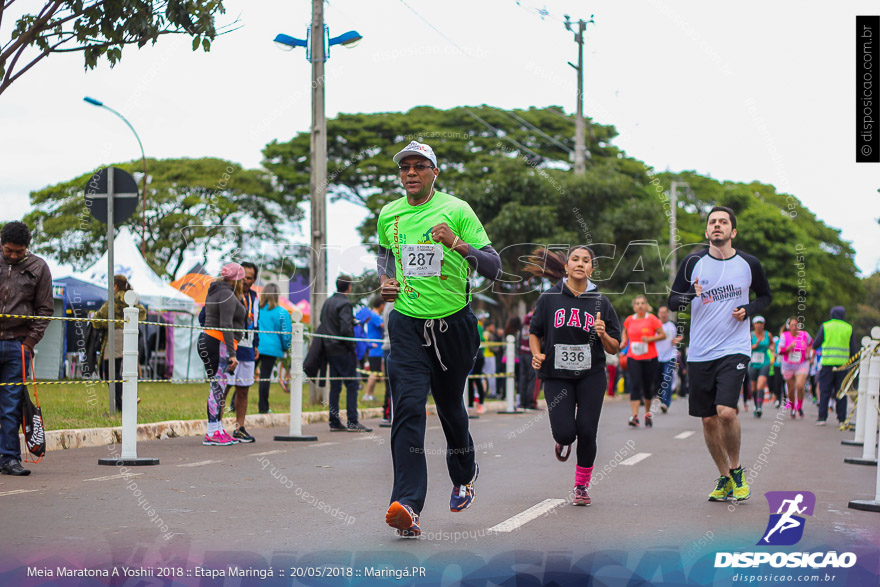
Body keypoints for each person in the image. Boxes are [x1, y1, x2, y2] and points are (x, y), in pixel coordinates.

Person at [377, 140, 501, 537]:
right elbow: (385, 252)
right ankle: (407, 505)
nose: (410, 173)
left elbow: (494, 266)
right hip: (408, 324)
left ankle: (465, 474)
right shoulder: (389, 213)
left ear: (434, 171)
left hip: (453, 326)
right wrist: (386, 278)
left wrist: (457, 244)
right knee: (408, 408)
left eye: (419, 166)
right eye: (405, 167)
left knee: (450, 408)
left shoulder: (457, 210)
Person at [669, 205, 771, 502]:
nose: (717, 226)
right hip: (700, 352)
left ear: (732, 231)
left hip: (734, 348)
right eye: (712, 222)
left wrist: (748, 310)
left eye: (723, 222)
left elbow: (765, 296)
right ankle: (724, 477)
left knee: (726, 411)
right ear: (706, 231)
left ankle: (737, 470)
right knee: (708, 419)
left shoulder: (749, 264)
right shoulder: (693, 263)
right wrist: (691, 294)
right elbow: (673, 301)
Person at [526, 246, 621, 506]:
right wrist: (537, 354)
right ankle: (563, 441)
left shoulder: (601, 302)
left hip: (591, 374)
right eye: (575, 260)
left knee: (588, 431)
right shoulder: (548, 299)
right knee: (566, 433)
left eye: (586, 261)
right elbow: (535, 332)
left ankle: (581, 485)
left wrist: (603, 335)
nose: (580, 264)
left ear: (591, 268)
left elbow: (615, 347)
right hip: (557, 375)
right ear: (566, 267)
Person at [0, 221, 52, 476]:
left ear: (27, 249)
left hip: (17, 345)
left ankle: (9, 459)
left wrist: (28, 344)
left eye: (19, 252)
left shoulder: (39, 267)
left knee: (11, 406)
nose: (13, 256)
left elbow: (45, 309)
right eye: (8, 250)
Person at [200, 262, 246, 446]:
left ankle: (217, 429)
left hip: (212, 340)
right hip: (218, 342)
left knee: (218, 387)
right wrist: (232, 354)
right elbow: (226, 324)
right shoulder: (226, 294)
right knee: (217, 388)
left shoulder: (216, 291)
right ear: (236, 279)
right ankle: (212, 432)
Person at [322, 275, 371, 433]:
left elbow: (323, 322)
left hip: (329, 348)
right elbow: (345, 329)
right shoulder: (345, 303)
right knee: (352, 385)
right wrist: (352, 346)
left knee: (335, 386)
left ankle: (334, 421)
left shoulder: (327, 302)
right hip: (343, 349)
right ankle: (352, 420)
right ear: (349, 287)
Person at [93, 275, 147, 410]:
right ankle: (124, 400)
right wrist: (129, 323)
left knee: (110, 372)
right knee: (123, 371)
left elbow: (99, 317)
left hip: (115, 338)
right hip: (128, 338)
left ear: (116, 285)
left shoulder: (115, 299)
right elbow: (142, 312)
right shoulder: (130, 297)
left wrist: (115, 323)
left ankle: (123, 401)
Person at [225, 261, 260, 442]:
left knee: (243, 389)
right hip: (230, 347)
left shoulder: (255, 297)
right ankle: (216, 426)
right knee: (224, 386)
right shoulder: (229, 294)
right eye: (244, 277)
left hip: (247, 347)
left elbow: (256, 323)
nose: (246, 281)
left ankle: (240, 427)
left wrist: (256, 344)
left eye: (250, 278)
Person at [620, 295, 666, 428]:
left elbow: (663, 335)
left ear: (646, 306)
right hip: (633, 357)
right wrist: (624, 341)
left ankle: (647, 414)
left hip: (650, 358)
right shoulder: (629, 320)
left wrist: (650, 339)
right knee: (635, 384)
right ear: (634, 306)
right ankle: (634, 416)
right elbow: (625, 332)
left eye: (642, 303)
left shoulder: (652, 319)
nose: (640, 306)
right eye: (637, 303)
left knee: (647, 387)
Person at [812, 306, 859, 427]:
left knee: (825, 391)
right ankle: (842, 419)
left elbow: (816, 343)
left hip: (827, 364)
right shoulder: (848, 328)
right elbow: (853, 349)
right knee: (841, 392)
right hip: (843, 365)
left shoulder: (825, 326)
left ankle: (822, 417)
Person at [256, 283, 292, 414]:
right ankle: (263, 407)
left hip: (255, 346)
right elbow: (286, 334)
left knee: (244, 377)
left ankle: (233, 404)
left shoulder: (257, 309)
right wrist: (285, 347)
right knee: (265, 377)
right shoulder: (282, 312)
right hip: (272, 349)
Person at [779, 317, 813, 420]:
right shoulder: (784, 336)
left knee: (799, 385)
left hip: (801, 364)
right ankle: (792, 408)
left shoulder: (804, 335)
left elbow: (811, 343)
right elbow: (780, 351)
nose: (794, 327)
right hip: (788, 365)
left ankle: (799, 407)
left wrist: (808, 352)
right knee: (791, 388)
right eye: (792, 325)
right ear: (789, 326)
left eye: (796, 325)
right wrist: (789, 347)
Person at [654, 306, 681, 413]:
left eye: (665, 312)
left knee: (667, 379)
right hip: (657, 356)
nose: (663, 314)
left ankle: (665, 403)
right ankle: (660, 397)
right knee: (659, 380)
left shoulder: (673, 325)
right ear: (658, 314)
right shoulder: (655, 325)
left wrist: (677, 340)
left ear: (668, 314)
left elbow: (680, 336)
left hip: (670, 356)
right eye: (661, 313)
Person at [747, 316, 771, 418]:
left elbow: (772, 344)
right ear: (754, 325)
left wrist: (773, 349)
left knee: (760, 385)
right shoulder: (750, 335)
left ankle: (759, 407)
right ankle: (755, 405)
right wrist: (754, 346)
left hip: (765, 362)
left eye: (761, 323)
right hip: (753, 363)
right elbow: (745, 347)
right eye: (757, 323)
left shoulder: (768, 334)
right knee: (754, 387)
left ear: (763, 324)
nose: (759, 325)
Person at [363, 296, 385, 402]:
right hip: (375, 347)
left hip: (375, 347)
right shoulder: (375, 316)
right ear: (381, 305)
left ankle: (371, 395)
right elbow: (384, 326)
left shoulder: (374, 315)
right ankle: (367, 394)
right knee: (374, 372)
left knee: (375, 373)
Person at [380, 300, 394, 426]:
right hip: (392, 345)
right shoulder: (392, 303)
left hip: (391, 345)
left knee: (392, 383)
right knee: (392, 383)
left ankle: (389, 413)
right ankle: (388, 413)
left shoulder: (389, 304)